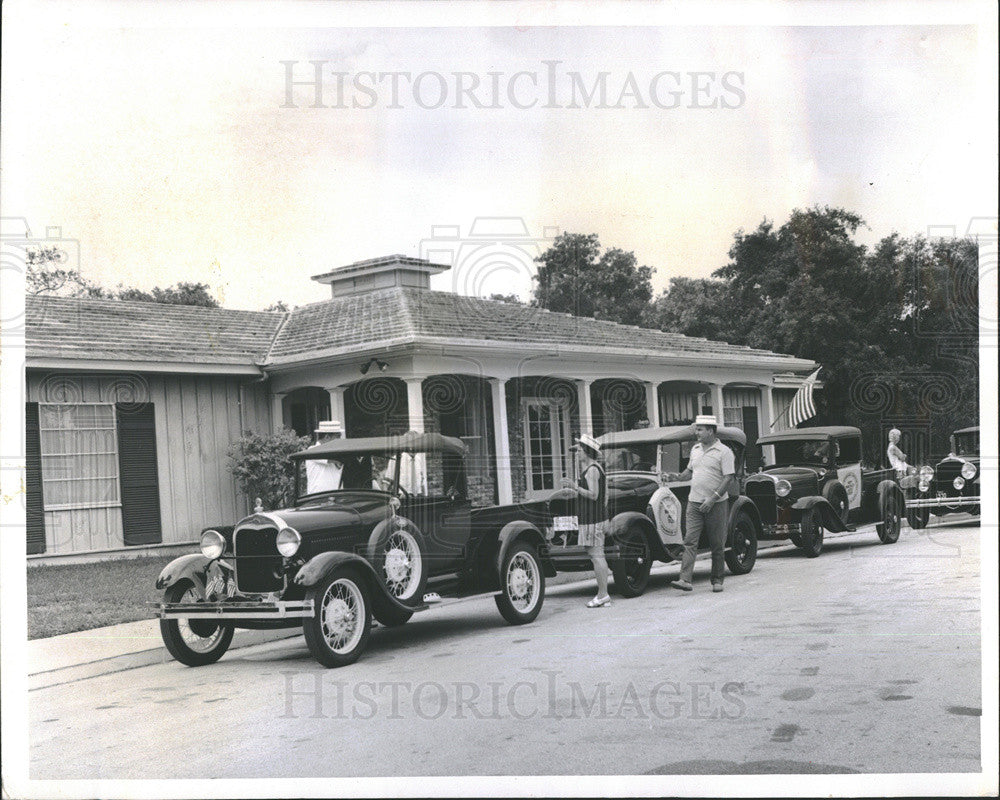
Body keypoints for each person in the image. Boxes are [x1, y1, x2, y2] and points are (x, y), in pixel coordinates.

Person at [666, 415, 737, 593]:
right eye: (696, 429)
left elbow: (728, 477)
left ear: (711, 431)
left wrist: (712, 498)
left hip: (717, 503)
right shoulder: (695, 449)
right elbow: (689, 472)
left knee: (717, 543)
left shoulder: (724, 451)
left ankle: (717, 580)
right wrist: (675, 477)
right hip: (694, 502)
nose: (696, 433)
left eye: (700, 429)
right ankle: (685, 579)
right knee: (690, 541)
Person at [559, 433, 611, 608]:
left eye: (580, 449)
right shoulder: (595, 469)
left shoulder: (592, 470)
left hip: (592, 520)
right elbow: (605, 496)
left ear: (587, 451)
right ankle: (603, 595)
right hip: (594, 519)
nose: (577, 452)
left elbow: (595, 495)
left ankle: (603, 594)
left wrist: (575, 487)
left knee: (597, 556)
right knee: (596, 555)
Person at [305, 420, 343, 494]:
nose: (340, 440)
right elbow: (331, 458)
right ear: (327, 437)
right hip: (317, 498)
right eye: (338, 436)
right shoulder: (312, 450)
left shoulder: (335, 452)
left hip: (335, 498)